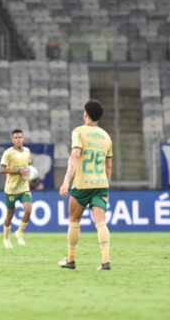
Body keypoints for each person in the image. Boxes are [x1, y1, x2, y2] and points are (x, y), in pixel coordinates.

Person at [58, 100, 113, 271]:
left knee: (74, 220)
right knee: (101, 223)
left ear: (85, 114)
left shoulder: (78, 131)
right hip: (101, 184)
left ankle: (71, 259)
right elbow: (108, 166)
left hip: (82, 184)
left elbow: (75, 155)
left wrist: (66, 181)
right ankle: (105, 261)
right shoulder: (106, 136)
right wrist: (106, 187)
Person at [0, 129, 33, 249]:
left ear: (23, 139)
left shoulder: (27, 151)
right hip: (11, 189)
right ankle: (6, 238)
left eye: (20, 137)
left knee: (28, 210)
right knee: (10, 215)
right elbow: (2, 169)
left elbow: (29, 166)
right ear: (13, 140)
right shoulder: (8, 153)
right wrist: (18, 171)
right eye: (16, 138)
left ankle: (19, 232)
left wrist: (30, 174)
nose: (18, 140)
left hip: (24, 188)